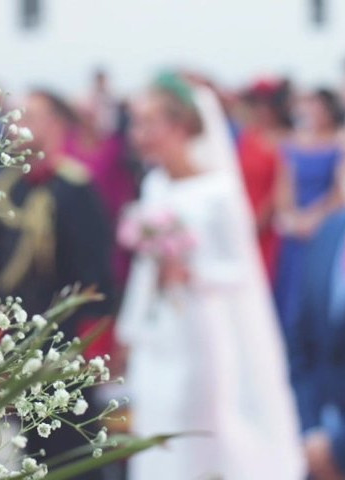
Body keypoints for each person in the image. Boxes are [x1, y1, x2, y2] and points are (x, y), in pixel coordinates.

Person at [116, 73, 304, 479]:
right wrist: (131, 328)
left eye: (150, 123)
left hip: (201, 328)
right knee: (155, 414)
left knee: (195, 423)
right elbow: (143, 274)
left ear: (181, 126)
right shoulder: (154, 184)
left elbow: (239, 267)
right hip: (159, 327)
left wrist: (191, 269)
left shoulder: (218, 191)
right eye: (137, 123)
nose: (140, 134)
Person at [0, 90, 114, 480]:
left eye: (31, 116)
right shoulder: (6, 187)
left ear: (56, 123)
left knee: (71, 444)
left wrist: (94, 336)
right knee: (28, 444)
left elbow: (96, 269)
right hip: (18, 333)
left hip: (66, 337)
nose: (19, 125)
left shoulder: (75, 187)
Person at [274, 88, 345, 332]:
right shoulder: (293, 143)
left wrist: (314, 219)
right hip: (295, 227)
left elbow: (339, 191)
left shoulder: (339, 142)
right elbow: (285, 185)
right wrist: (291, 216)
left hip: (325, 226)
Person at [290, 210, 345, 480]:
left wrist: (338, 448)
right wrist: (311, 430)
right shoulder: (330, 231)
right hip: (319, 442)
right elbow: (301, 342)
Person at [237, 78, 292, 281]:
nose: (262, 111)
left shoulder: (286, 139)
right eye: (257, 105)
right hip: (242, 211)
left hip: (268, 222)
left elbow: (282, 186)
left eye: (267, 106)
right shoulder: (246, 137)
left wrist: (261, 220)